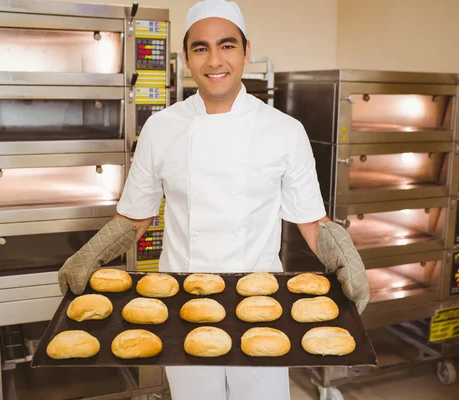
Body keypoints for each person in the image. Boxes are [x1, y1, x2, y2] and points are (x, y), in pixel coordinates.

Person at [58, 0, 370, 399]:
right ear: (186, 57)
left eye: (227, 45)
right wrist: (91, 255)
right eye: (201, 48)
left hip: (262, 301)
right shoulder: (161, 128)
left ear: (246, 50)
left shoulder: (284, 131)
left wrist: (348, 259)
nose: (214, 60)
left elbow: (311, 220)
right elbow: (135, 217)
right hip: (183, 300)